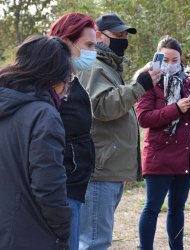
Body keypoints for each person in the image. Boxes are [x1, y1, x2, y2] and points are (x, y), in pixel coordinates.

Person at [77, 13, 161, 249]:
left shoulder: (107, 66)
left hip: (108, 169)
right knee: (94, 241)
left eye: (125, 34)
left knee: (96, 238)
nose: (123, 39)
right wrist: (139, 86)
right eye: (117, 34)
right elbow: (102, 107)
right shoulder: (94, 66)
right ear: (99, 36)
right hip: (100, 171)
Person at [0, 35, 72, 250]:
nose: (67, 87)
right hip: (30, 233)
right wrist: (62, 231)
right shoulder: (43, 115)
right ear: (53, 77)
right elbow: (48, 186)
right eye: (67, 79)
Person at [135, 36, 190, 250]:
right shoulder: (147, 82)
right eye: (166, 60)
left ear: (181, 60)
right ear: (157, 59)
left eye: (175, 60)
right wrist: (176, 108)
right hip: (159, 156)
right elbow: (144, 118)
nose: (171, 64)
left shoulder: (188, 82)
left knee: (177, 209)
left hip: (185, 154)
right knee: (152, 207)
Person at [49, 12, 97, 250]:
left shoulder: (71, 81)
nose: (92, 52)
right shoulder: (51, 86)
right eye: (88, 45)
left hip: (74, 185)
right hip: (60, 187)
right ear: (66, 41)